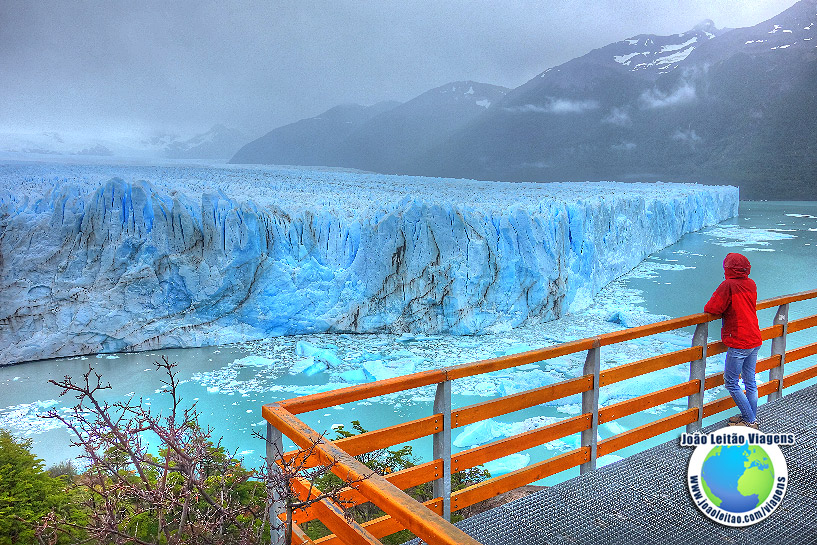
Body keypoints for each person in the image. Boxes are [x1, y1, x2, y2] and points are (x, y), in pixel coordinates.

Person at [704, 252, 763, 429]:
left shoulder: (728, 285)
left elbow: (712, 307)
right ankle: (749, 417)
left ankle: (750, 420)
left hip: (739, 340)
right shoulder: (751, 283)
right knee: (750, 381)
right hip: (754, 338)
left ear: (728, 269)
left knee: (730, 382)